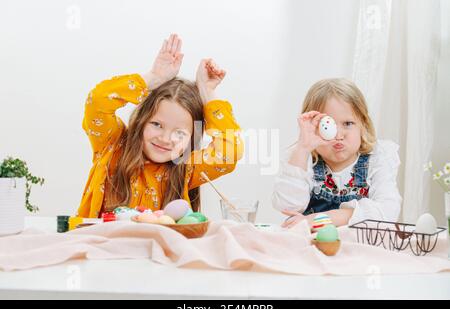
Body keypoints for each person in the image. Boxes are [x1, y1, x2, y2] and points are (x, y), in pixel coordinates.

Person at [78, 34, 243, 218]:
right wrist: (154, 77)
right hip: (105, 245)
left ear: (191, 139)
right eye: (157, 124)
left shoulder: (186, 166)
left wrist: (208, 92)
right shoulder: (113, 145)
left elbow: (230, 153)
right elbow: (98, 101)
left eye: (179, 133)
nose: (165, 139)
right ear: (142, 120)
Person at [272, 78, 402, 229]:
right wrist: (303, 148)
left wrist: (318, 219)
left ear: (363, 124)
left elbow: (387, 212)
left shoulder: (378, 159)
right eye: (328, 126)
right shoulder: (303, 160)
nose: (339, 135)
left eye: (348, 123)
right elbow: (288, 206)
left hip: (357, 244)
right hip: (314, 244)